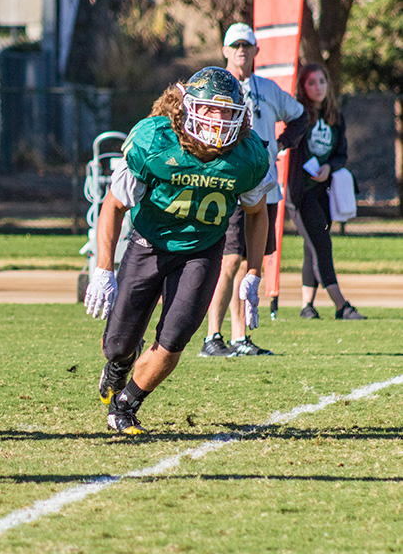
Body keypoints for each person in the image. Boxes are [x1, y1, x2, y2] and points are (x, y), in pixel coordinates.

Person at [84, 67, 274, 434]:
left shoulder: (248, 154)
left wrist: (253, 273)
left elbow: (256, 214)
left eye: (227, 112)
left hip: (202, 250)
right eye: (210, 110)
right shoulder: (155, 139)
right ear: (188, 108)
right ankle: (120, 364)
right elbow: (114, 205)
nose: (219, 121)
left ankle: (126, 405)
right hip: (148, 244)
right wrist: (103, 269)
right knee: (117, 344)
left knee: (175, 337)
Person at [199, 23, 309, 358]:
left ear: (256, 51)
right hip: (230, 184)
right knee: (229, 260)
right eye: (235, 45)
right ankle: (211, 336)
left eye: (247, 45)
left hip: (263, 187)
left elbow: (300, 118)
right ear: (225, 50)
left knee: (249, 263)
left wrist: (279, 144)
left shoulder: (268, 89)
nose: (241, 51)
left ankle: (239, 337)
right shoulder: (219, 87)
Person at [286, 63, 365, 321]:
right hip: (300, 192)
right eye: (311, 82)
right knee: (321, 243)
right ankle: (342, 305)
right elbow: (291, 146)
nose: (318, 87)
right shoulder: (297, 113)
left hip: (324, 192)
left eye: (322, 81)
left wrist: (329, 167)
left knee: (313, 246)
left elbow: (341, 153)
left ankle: (307, 305)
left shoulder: (335, 116)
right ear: (302, 86)